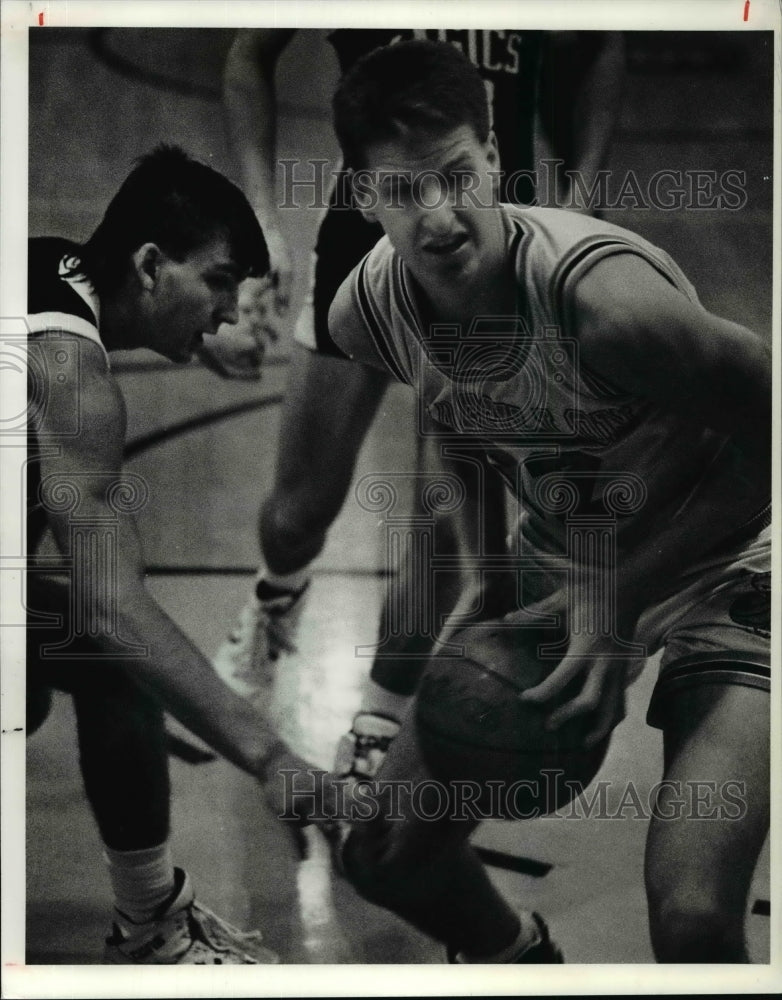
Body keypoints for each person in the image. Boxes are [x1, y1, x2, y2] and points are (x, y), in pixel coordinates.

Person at [318, 40, 770, 963]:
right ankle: (521, 963)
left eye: (457, 177)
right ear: (363, 198)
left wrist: (622, 596)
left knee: (691, 918)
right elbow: (455, 414)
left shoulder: (608, 306)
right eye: (405, 192)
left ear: (492, 156)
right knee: (386, 855)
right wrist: (490, 580)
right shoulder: (365, 314)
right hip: (571, 552)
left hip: (731, 552)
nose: (441, 217)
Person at [209, 28, 627, 781]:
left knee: (442, 514)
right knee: (295, 517)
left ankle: (376, 719)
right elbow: (249, 51)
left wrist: (585, 183)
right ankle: (278, 597)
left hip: (489, 235)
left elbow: (601, 42)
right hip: (364, 237)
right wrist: (259, 216)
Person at [25, 145, 340, 965]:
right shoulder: (69, 375)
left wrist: (196, 344)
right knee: (105, 643)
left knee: (92, 664)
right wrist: (269, 757)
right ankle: (154, 932)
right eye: (220, 284)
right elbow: (110, 602)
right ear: (153, 265)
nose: (233, 313)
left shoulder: (51, 267)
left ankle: (152, 921)